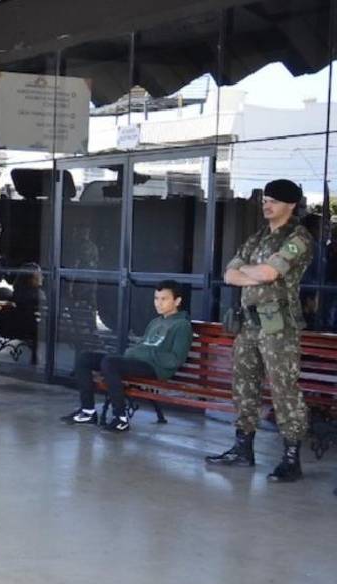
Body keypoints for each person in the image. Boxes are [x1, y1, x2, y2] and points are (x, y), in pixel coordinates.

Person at [206, 179, 314, 482]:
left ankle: (291, 459)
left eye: (274, 201)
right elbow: (229, 273)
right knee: (244, 387)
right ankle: (243, 449)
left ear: (290, 205)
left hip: (278, 326)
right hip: (249, 324)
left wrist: (252, 274)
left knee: (283, 391)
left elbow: (270, 272)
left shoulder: (298, 238)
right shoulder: (257, 237)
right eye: (265, 199)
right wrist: (254, 276)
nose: (266, 205)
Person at [62, 280, 193, 432]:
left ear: (177, 301)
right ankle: (88, 411)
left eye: (164, 299)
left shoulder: (182, 326)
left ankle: (120, 418)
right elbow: (143, 345)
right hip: (138, 361)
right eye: (156, 298)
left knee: (110, 363)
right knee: (85, 358)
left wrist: (145, 353)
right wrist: (138, 352)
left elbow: (176, 358)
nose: (158, 303)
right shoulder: (156, 322)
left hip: (155, 368)